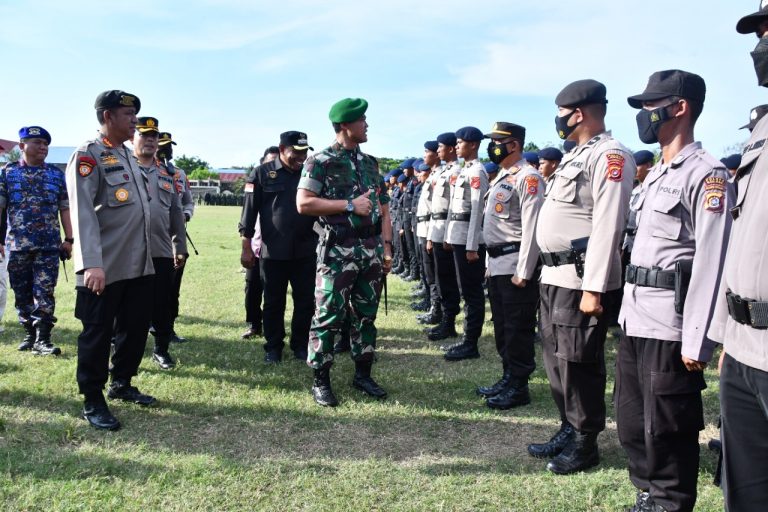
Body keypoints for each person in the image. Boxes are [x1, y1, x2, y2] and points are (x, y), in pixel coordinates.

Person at [617, 70, 732, 512]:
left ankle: (670, 502)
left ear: (679, 107)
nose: (645, 116)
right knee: (632, 421)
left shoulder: (707, 175)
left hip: (672, 322)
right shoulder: (657, 173)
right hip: (636, 314)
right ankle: (649, 494)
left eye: (651, 106)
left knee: (666, 426)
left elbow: (713, 258)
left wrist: (699, 336)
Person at [529, 79, 635, 474]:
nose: (558, 121)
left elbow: (609, 225)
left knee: (578, 361)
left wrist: (594, 287)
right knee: (556, 359)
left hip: (579, 280)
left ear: (578, 113)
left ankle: (585, 441)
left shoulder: (610, 155)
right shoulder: (576, 156)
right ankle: (567, 427)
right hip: (554, 275)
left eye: (561, 113)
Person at [707, 7, 768, 510]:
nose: (762, 44)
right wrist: (730, 334)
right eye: (762, 33)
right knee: (744, 491)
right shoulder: (760, 132)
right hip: (746, 347)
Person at [67, 90, 156, 431]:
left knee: (133, 329)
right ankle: (92, 398)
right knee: (97, 333)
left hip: (138, 263)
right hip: (104, 266)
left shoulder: (128, 155)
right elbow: (83, 212)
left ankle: (122, 382)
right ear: (107, 116)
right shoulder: (88, 155)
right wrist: (91, 264)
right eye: (128, 114)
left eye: (134, 114)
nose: (134, 120)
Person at [296, 97, 393, 407]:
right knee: (328, 315)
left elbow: (383, 208)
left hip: (371, 250)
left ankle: (362, 374)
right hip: (338, 251)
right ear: (345, 125)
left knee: (366, 316)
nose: (367, 125)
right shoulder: (321, 161)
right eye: (362, 120)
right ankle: (320, 379)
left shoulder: (370, 163)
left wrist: (387, 249)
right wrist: (349, 205)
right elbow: (304, 203)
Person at [478, 122, 544, 410]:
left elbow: (532, 227)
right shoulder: (503, 177)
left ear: (513, 145)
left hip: (515, 264)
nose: (491, 146)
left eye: (495, 141)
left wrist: (525, 270)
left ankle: (519, 386)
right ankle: (508, 377)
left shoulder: (528, 177)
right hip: (497, 263)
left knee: (518, 328)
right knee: (503, 328)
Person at [239, 131, 318, 363]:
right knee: (273, 302)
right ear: (282, 149)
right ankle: (273, 347)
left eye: (305, 152)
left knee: (305, 301)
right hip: (273, 251)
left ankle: (300, 345)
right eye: (296, 152)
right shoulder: (261, 173)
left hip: (305, 249)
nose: (301, 157)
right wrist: (246, 246)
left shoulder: (309, 172)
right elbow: (249, 211)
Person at [0, 126, 72, 355]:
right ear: (22, 146)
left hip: (49, 246)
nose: (43, 147)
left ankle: (43, 338)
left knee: (45, 291)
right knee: (21, 292)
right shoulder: (8, 173)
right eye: (37, 142)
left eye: (45, 144)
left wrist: (69, 238)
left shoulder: (55, 174)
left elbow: (65, 208)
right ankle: (29, 335)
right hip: (18, 246)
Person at [133, 118, 187, 370]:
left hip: (161, 249)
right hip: (127, 252)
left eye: (154, 136)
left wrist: (180, 246)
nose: (151, 140)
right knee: (128, 304)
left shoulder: (168, 174)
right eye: (144, 135)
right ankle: (123, 347)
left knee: (163, 303)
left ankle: (161, 349)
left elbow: (176, 212)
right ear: (133, 137)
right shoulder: (121, 168)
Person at [442, 126, 489, 361]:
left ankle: (471, 343)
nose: (457, 146)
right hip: (458, 236)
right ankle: (466, 339)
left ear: (473, 145)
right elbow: (453, 207)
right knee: (464, 290)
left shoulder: (477, 172)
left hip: (469, 240)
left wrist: (471, 245)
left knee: (472, 293)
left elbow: (478, 211)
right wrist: (450, 237)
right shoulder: (463, 171)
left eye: (461, 142)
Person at [155, 132, 194, 344]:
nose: (167, 150)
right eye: (163, 146)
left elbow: (188, 201)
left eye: (169, 146)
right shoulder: (140, 170)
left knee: (172, 289)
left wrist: (185, 215)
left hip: (174, 239)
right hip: (150, 238)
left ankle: (168, 328)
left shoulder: (178, 174)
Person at [426, 132, 462, 341]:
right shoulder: (444, 172)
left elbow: (453, 207)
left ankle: (449, 322)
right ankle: (444, 319)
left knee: (447, 279)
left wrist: (448, 233)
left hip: (447, 232)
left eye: (441, 147)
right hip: (437, 229)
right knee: (441, 277)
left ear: (449, 149)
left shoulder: (456, 172)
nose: (438, 150)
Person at [415, 143, 441, 325]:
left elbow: (437, 210)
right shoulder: (433, 175)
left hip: (431, 230)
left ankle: (437, 310)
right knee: (428, 270)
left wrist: (431, 236)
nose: (425, 155)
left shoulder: (439, 176)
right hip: (423, 228)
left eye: (427, 152)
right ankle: (433, 306)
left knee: (433, 273)